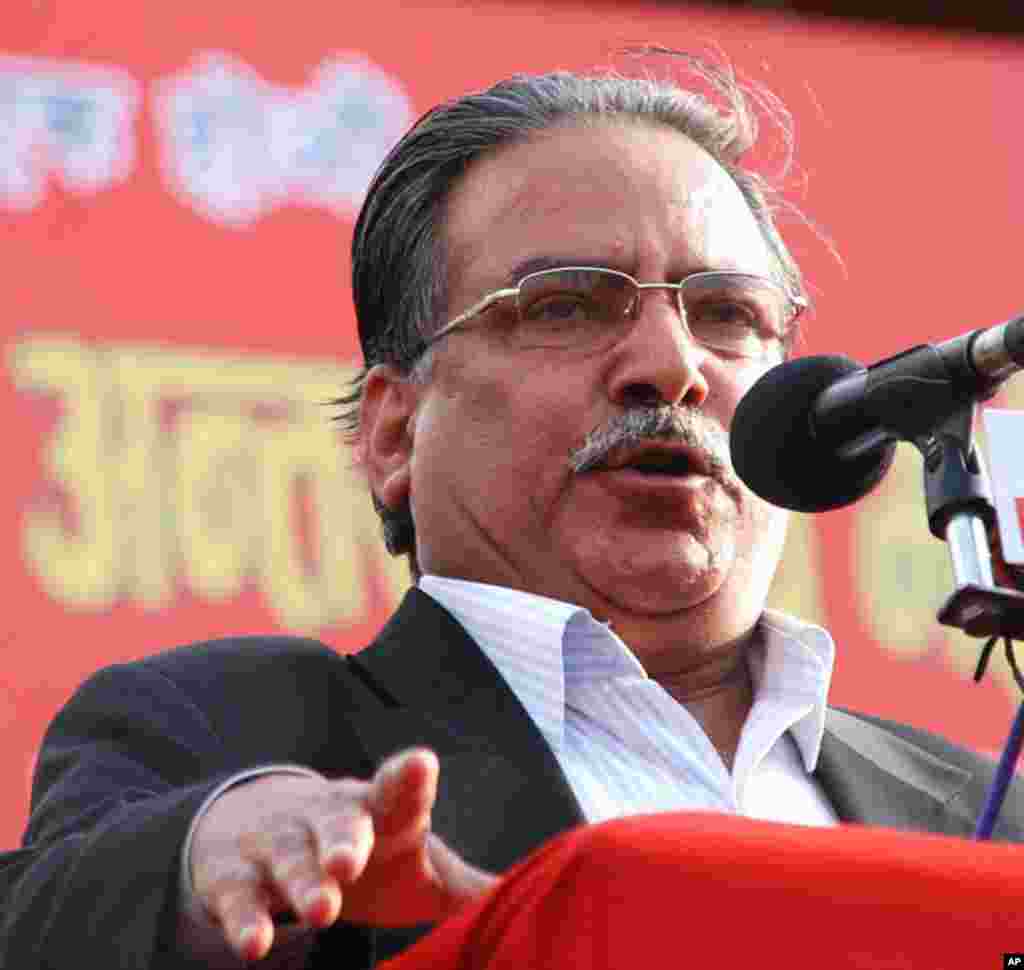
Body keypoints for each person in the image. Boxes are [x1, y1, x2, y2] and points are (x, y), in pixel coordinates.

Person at [3, 51, 1023, 970]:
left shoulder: (985, 809)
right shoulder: (243, 730)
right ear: (394, 434)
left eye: (726, 314)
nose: (670, 366)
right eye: (568, 304)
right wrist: (207, 859)